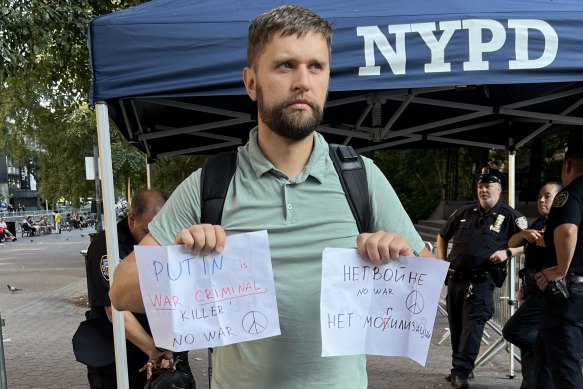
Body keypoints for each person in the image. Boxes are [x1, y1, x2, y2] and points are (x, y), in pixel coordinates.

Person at [109, 5, 432, 389]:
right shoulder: (211, 184)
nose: (302, 82)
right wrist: (176, 259)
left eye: (316, 67)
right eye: (284, 66)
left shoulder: (361, 178)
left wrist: (400, 257)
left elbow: (425, 288)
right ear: (251, 83)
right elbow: (120, 291)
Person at [74, 189, 191, 389]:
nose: (155, 238)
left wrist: (170, 349)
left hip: (157, 346)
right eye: (147, 231)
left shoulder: (164, 238)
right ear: (131, 219)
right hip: (116, 351)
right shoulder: (108, 246)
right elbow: (115, 311)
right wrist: (153, 350)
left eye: (160, 229)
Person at [437, 167, 527, 389]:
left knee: (472, 327)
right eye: (480, 186)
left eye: (488, 186)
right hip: (456, 279)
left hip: (481, 281)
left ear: (499, 189)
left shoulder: (511, 217)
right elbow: (441, 236)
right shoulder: (464, 212)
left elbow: (529, 244)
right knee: (456, 326)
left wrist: (507, 252)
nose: (483, 190)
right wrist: (441, 262)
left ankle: (462, 371)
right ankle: (458, 367)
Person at [502, 183, 561, 389]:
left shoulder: (562, 225)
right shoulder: (539, 222)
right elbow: (513, 243)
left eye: (547, 196)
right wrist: (523, 235)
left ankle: (554, 354)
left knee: (514, 331)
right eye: (539, 196)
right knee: (529, 351)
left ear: (560, 199)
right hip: (530, 289)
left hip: (547, 293)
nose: (542, 200)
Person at [535, 141, 583, 388]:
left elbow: (567, 230)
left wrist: (560, 269)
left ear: (567, 165)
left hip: (570, 295)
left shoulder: (570, 193)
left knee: (566, 370)